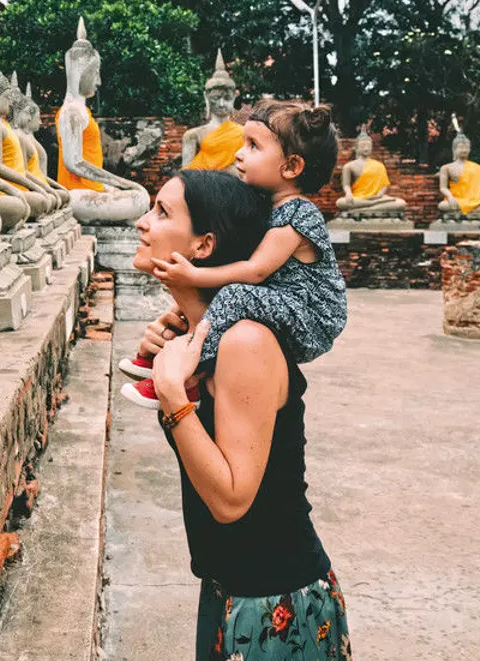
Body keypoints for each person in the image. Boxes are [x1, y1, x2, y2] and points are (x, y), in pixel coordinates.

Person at [133, 171, 352, 660]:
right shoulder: (202, 341)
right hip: (227, 587)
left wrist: (173, 394)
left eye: (162, 212)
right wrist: (178, 375)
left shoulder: (246, 341)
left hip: (274, 601)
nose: (142, 223)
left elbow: (231, 500)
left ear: (204, 245)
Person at [119, 102, 347, 402]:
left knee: (233, 295)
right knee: (204, 304)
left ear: (291, 167)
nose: (239, 154)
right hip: (282, 301)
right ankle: (160, 354)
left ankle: (190, 373)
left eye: (253, 146)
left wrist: (194, 274)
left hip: (311, 316)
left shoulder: (298, 214)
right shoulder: (267, 207)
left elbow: (256, 271)